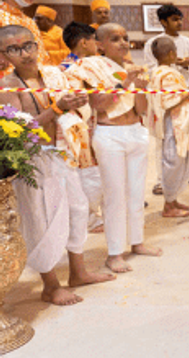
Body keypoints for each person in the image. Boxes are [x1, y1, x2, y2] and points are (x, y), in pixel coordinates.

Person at [0, 25, 115, 304]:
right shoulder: (8, 87)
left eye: (29, 45)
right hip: (34, 160)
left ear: (37, 46)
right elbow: (21, 130)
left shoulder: (52, 75)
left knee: (77, 210)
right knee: (42, 219)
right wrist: (57, 109)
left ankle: (78, 272)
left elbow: (72, 108)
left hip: (63, 152)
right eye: (14, 49)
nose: (25, 54)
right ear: (3, 56)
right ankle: (50, 285)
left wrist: (77, 102)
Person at [68, 23, 160, 273]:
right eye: (115, 38)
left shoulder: (131, 68)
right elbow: (98, 104)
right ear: (99, 45)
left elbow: (140, 109)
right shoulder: (90, 67)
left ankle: (137, 243)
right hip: (109, 134)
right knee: (115, 195)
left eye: (125, 37)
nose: (123, 42)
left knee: (136, 192)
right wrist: (123, 84)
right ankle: (114, 253)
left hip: (136, 132)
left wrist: (138, 87)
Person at [144, 4, 189, 196]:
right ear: (163, 22)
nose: (179, 23)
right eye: (174, 20)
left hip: (185, 97)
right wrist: (172, 64)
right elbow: (151, 69)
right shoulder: (153, 43)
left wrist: (185, 66)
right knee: (165, 140)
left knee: (188, 135)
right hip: (165, 100)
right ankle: (162, 181)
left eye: (180, 19)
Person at [59, 21, 105, 232]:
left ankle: (90, 215)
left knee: (89, 172)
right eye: (94, 40)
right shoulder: (76, 68)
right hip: (79, 127)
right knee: (87, 172)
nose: (96, 44)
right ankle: (87, 218)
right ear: (84, 42)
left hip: (82, 125)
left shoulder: (65, 66)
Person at [145, 36, 189, 220]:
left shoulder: (160, 71)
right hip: (172, 122)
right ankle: (168, 205)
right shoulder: (166, 73)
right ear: (172, 53)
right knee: (173, 160)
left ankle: (173, 200)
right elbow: (168, 101)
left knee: (179, 159)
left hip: (176, 121)